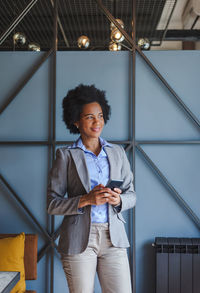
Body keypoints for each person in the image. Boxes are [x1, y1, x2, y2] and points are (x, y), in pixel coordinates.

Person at [47, 84, 136, 293]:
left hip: (113, 238)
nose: (97, 122)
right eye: (89, 117)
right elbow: (52, 204)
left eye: (100, 115)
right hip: (79, 240)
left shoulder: (117, 153)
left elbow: (132, 195)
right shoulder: (66, 156)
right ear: (76, 121)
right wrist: (86, 199)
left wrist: (118, 200)